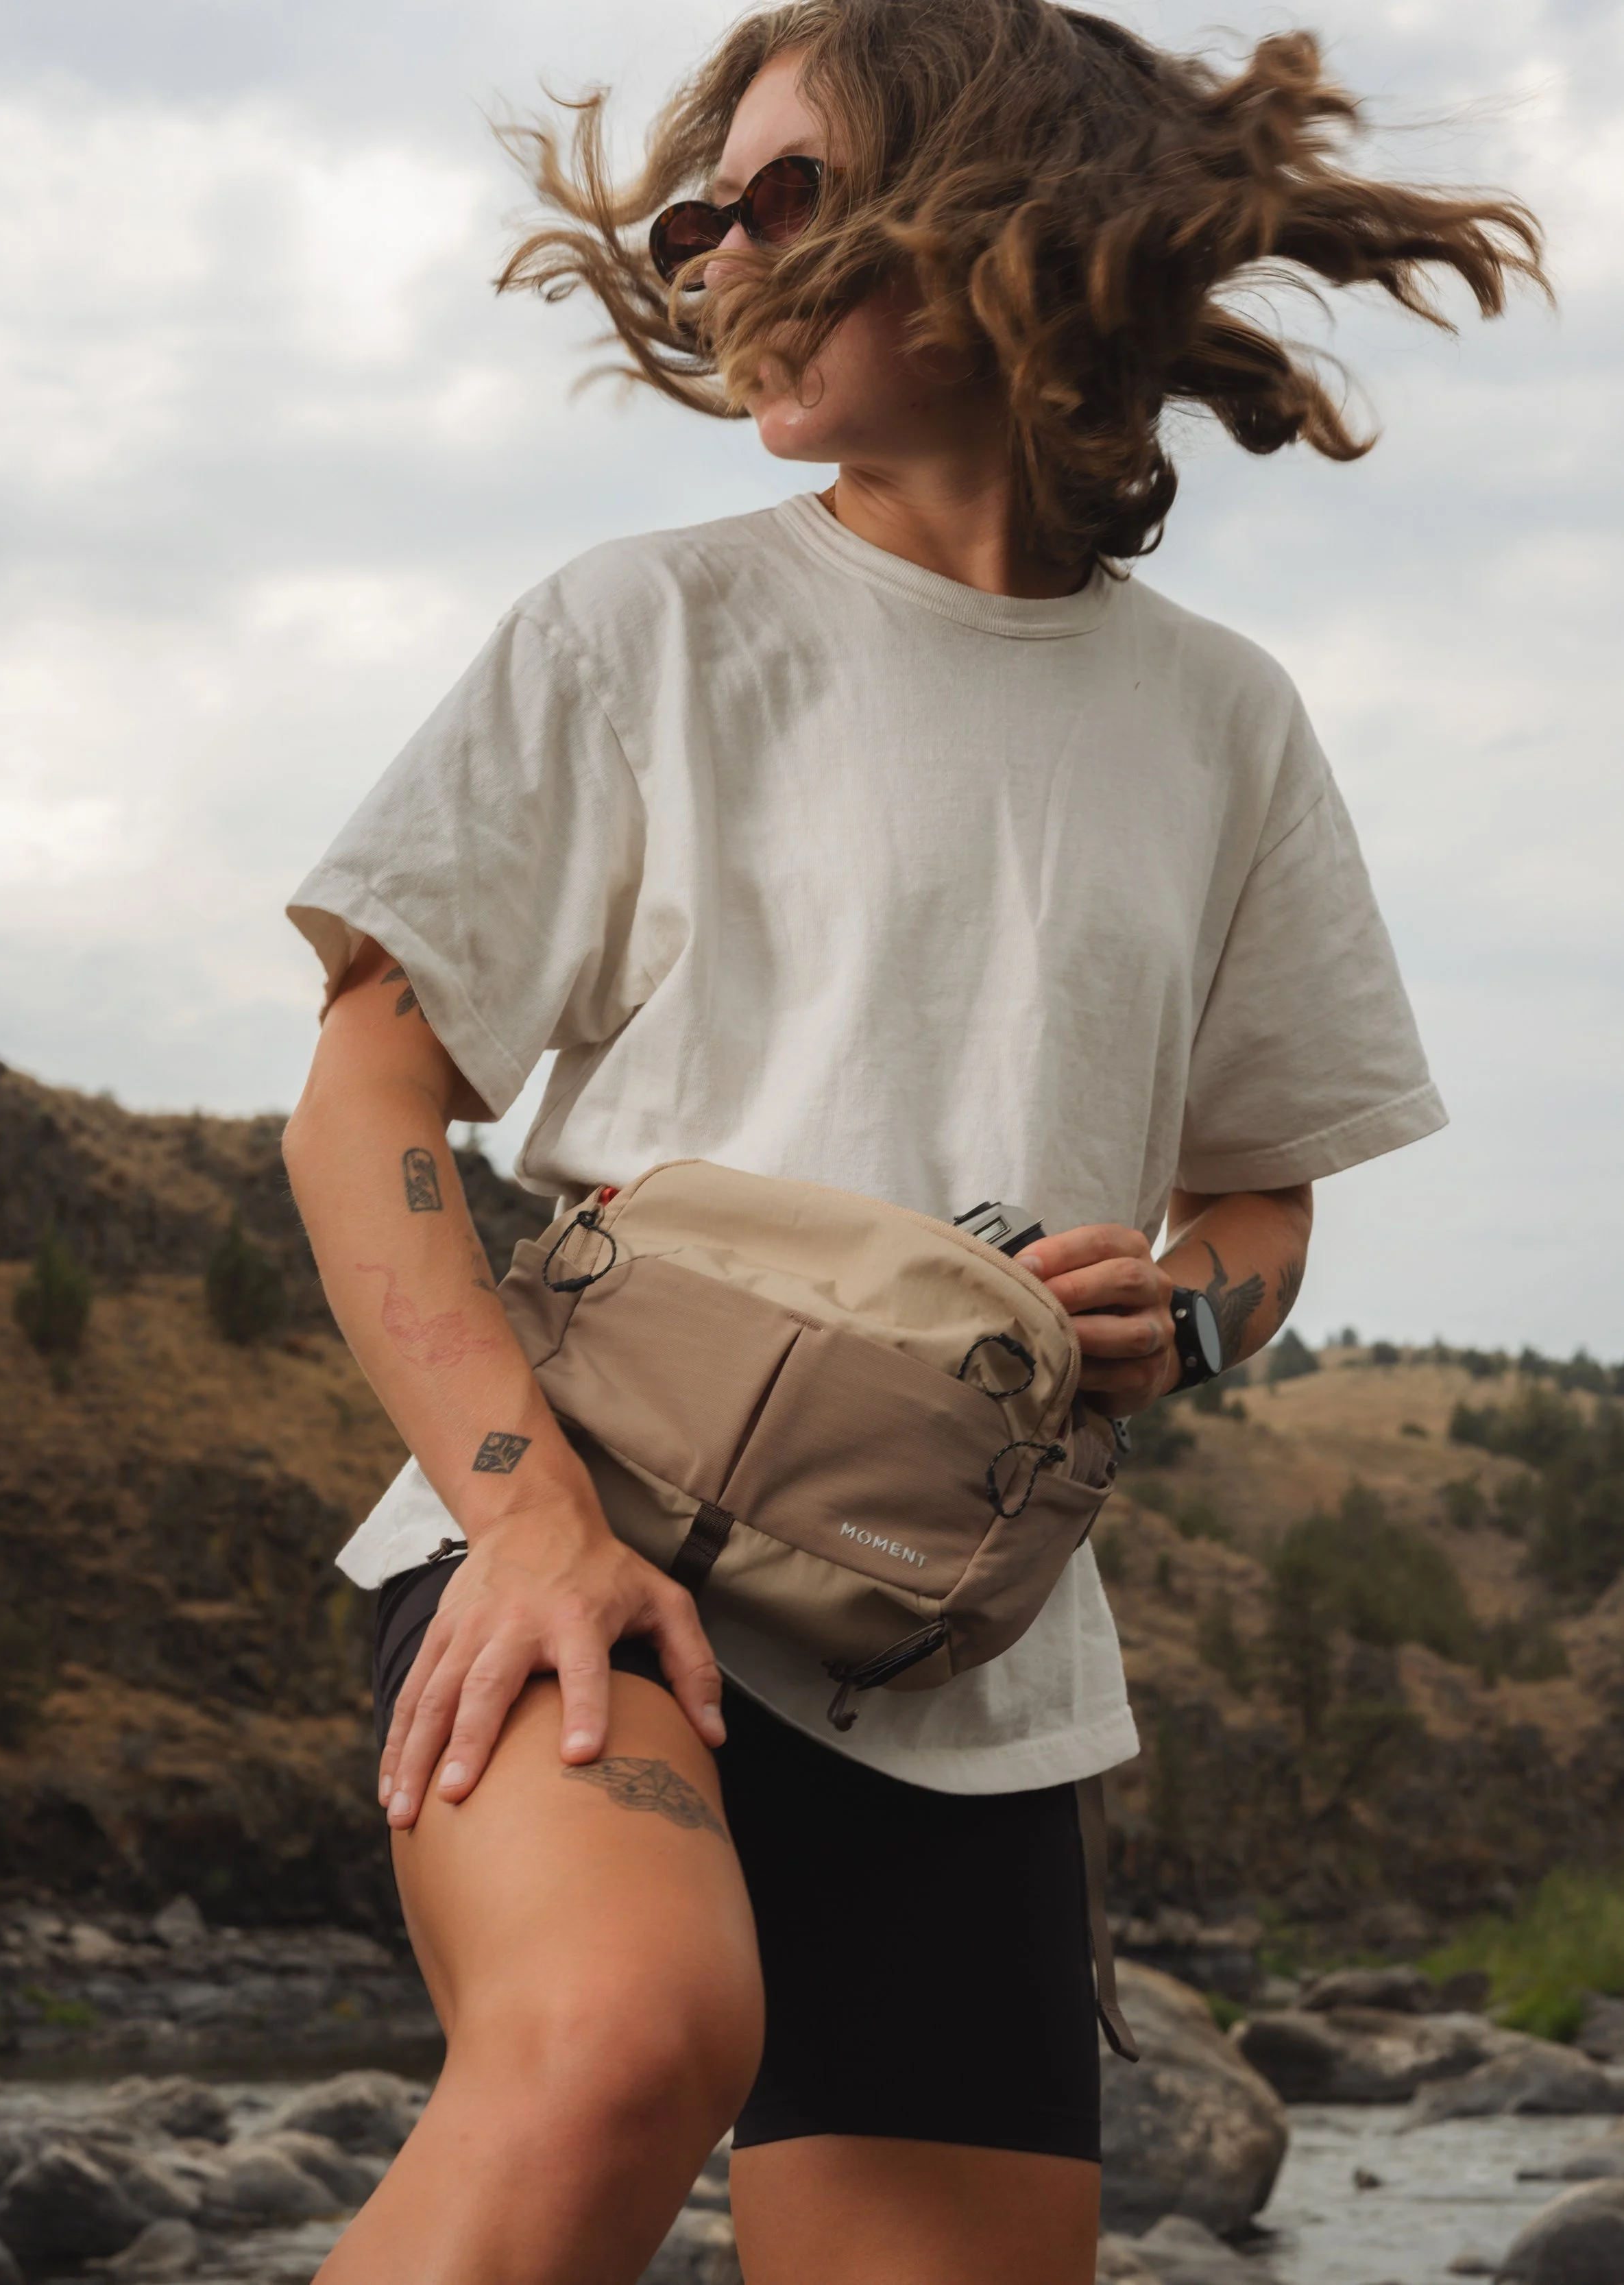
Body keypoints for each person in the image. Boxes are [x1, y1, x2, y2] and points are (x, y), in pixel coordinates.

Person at [282, 5, 1543, 2278]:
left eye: (789, 199)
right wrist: (531, 1535)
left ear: (1018, 224)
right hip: (586, 1550)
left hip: (969, 1668)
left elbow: (1259, 1193)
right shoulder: (641, 630)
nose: (724, 261)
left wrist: (1185, 1311)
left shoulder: (1222, 723)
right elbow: (365, 1091)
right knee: (612, 2042)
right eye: (703, 218)